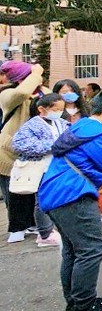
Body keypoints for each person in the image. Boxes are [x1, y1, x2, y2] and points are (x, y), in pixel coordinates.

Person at [38, 88, 102, 311]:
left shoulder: (81, 127)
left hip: (56, 194)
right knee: (91, 249)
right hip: (73, 195)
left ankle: (75, 305)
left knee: (74, 251)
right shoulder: (96, 131)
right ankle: (84, 309)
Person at [9, 93, 69, 246]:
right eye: (56, 109)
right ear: (42, 109)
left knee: (54, 199)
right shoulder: (31, 125)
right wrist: (51, 146)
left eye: (61, 109)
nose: (59, 112)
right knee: (42, 200)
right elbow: (19, 144)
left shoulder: (61, 123)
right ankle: (45, 233)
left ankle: (52, 229)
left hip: (56, 167)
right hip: (40, 168)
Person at [1, 61, 46, 242]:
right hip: (10, 153)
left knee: (35, 191)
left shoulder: (43, 93)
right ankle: (17, 227)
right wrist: (35, 74)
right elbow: (21, 93)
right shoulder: (7, 94)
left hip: (38, 152)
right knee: (15, 192)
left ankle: (35, 224)